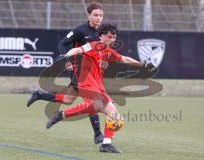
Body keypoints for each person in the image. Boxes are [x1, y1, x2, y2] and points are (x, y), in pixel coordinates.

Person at [45, 23, 156, 153]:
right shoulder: (93, 45)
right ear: (101, 36)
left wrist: (143, 65)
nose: (112, 39)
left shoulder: (109, 52)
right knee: (97, 106)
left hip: (98, 86)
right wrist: (66, 56)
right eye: (109, 36)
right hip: (86, 83)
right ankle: (61, 115)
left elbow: (124, 59)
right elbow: (78, 50)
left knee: (114, 115)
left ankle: (106, 144)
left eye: (114, 37)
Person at [26, 2, 104, 144]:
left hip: (92, 73)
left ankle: (39, 95)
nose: (98, 18)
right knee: (92, 101)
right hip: (79, 71)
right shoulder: (80, 30)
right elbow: (62, 44)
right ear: (89, 15)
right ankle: (98, 134)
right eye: (95, 15)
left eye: (100, 15)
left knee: (68, 100)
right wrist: (66, 61)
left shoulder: (101, 32)